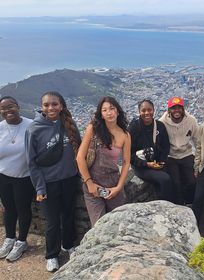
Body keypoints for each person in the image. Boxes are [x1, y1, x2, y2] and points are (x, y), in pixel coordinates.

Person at [25, 91, 81, 272]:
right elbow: (31, 163)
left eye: (54, 104)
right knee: (52, 222)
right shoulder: (34, 129)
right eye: (47, 105)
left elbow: (78, 151)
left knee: (68, 215)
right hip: (48, 183)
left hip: (70, 179)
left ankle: (68, 245)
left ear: (61, 106)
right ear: (41, 107)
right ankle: (51, 254)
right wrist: (40, 187)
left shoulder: (69, 124)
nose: (51, 108)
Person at [76, 96, 131, 226]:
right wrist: (89, 184)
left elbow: (126, 162)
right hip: (93, 183)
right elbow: (80, 157)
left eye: (112, 108)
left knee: (118, 223)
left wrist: (118, 187)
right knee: (99, 225)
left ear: (118, 111)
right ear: (101, 114)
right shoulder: (93, 129)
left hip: (113, 182)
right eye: (105, 110)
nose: (109, 112)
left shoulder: (125, 135)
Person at [0, 96, 34, 262]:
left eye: (10, 106)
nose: (7, 111)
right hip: (3, 176)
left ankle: (21, 241)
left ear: (18, 106)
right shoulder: (0, 128)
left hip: (24, 177)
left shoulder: (31, 125)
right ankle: (10, 238)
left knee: (23, 208)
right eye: (3, 109)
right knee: (8, 208)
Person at [128, 99, 174, 202]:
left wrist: (161, 162)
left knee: (175, 175)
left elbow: (165, 147)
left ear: (153, 110)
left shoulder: (160, 126)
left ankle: (179, 202)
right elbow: (128, 154)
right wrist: (146, 164)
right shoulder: (133, 128)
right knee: (165, 179)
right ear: (139, 112)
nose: (147, 113)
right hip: (141, 166)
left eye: (149, 110)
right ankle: (166, 205)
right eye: (143, 110)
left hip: (157, 163)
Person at [159, 96, 198, 205]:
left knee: (192, 181)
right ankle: (179, 205)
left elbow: (197, 140)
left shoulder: (191, 121)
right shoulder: (162, 122)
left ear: (183, 109)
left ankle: (190, 202)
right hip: (171, 155)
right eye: (173, 108)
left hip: (187, 153)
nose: (176, 110)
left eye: (179, 108)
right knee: (175, 183)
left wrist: (198, 160)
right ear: (169, 110)